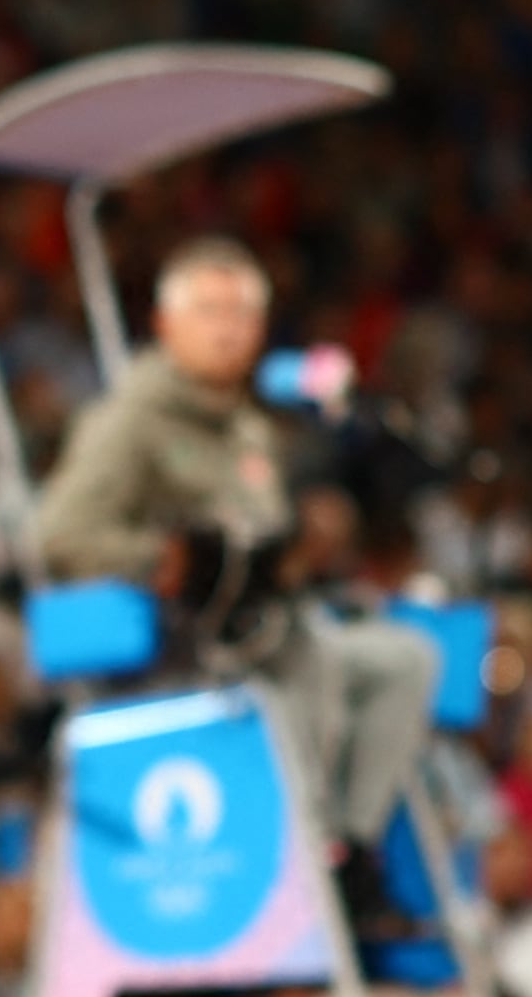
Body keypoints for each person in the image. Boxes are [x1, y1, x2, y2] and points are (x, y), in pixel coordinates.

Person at [28, 237, 448, 889]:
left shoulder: (250, 429)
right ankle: (299, 849)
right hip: (176, 643)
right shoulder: (130, 419)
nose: (227, 327)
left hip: (257, 622)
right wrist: (157, 559)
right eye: (208, 310)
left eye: (242, 313)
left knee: (404, 658)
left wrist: (304, 549)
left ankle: (350, 846)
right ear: (165, 325)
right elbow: (60, 532)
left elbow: (265, 548)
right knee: (306, 649)